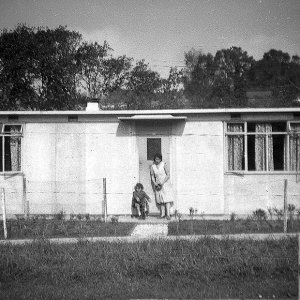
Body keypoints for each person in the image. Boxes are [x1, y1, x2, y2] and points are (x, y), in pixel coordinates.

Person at [150, 153, 174, 220]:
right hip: (158, 184)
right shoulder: (153, 166)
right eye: (156, 159)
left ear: (160, 159)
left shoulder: (163, 164)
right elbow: (152, 176)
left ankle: (168, 214)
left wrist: (162, 182)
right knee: (160, 199)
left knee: (167, 198)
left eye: (158, 159)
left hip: (165, 183)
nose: (157, 160)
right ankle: (162, 214)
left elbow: (168, 175)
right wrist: (155, 183)